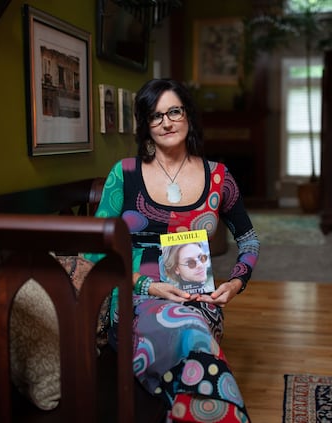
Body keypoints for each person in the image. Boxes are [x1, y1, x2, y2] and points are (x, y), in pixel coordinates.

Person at [87, 78, 259, 422]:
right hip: (134, 296)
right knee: (190, 335)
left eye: (174, 112)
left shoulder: (219, 178)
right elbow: (93, 251)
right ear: (145, 126)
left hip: (199, 299)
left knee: (193, 325)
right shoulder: (125, 173)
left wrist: (236, 283)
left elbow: (249, 241)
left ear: (189, 117)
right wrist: (145, 285)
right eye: (155, 115)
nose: (166, 122)